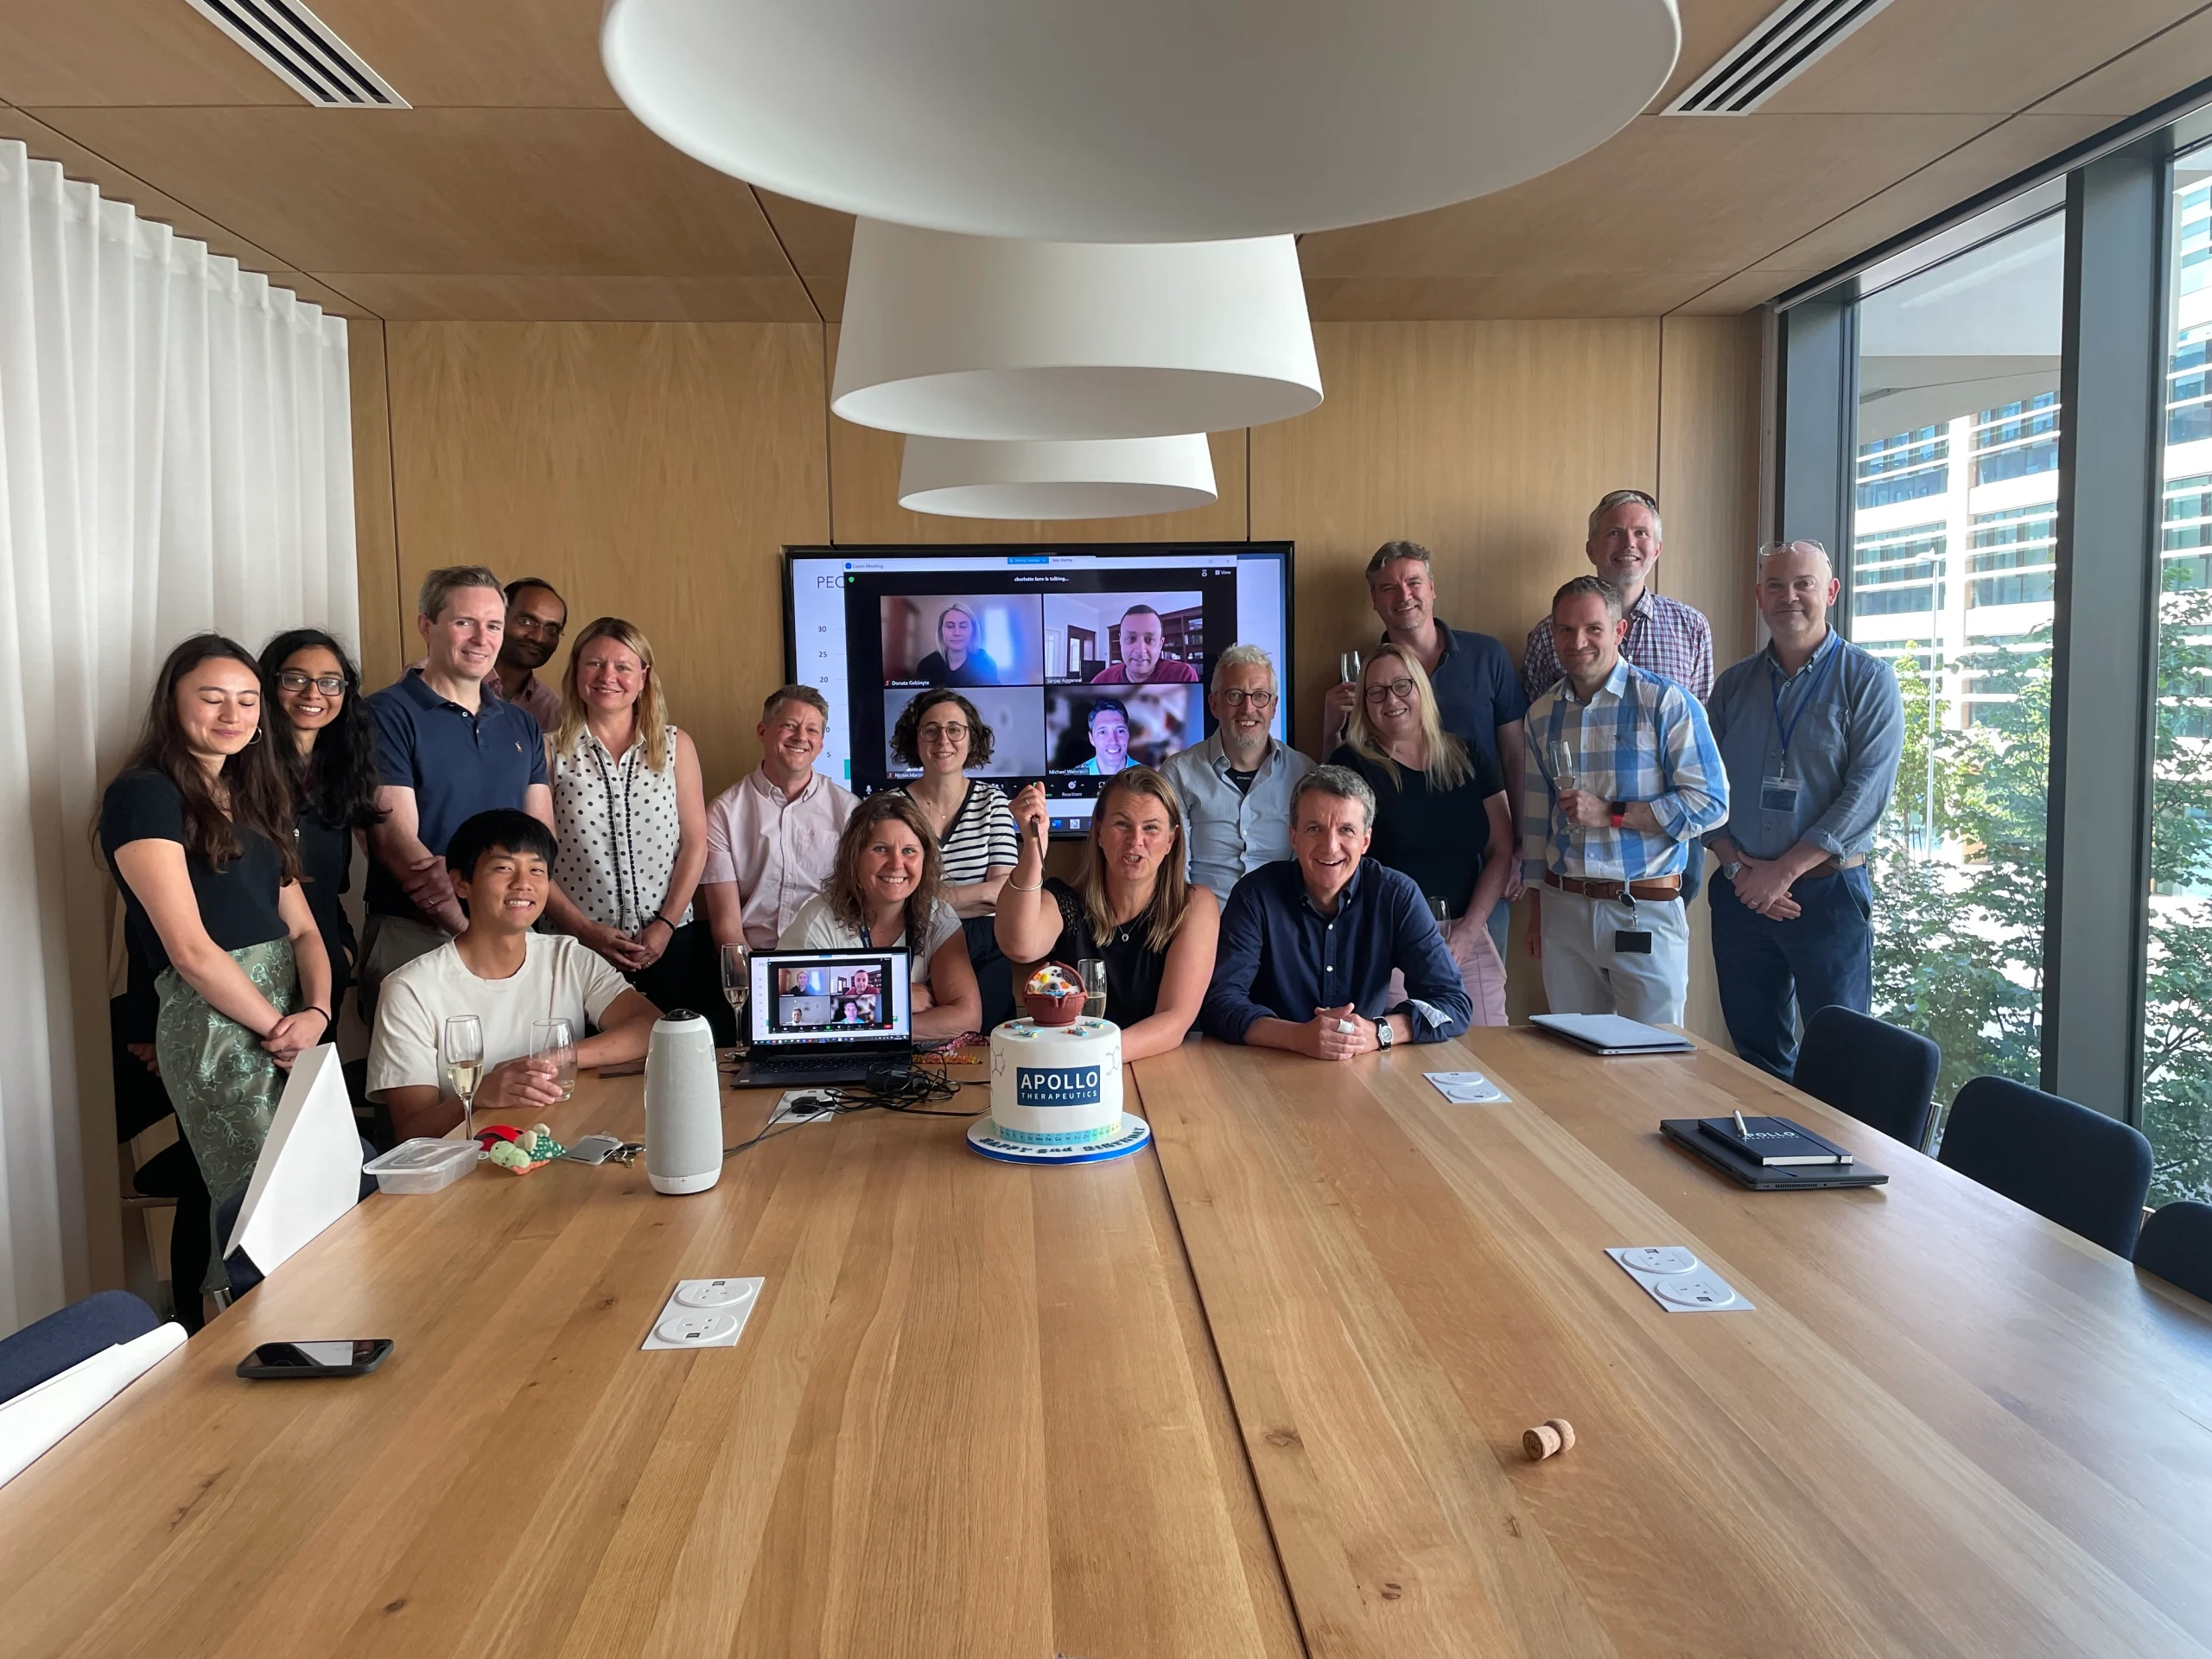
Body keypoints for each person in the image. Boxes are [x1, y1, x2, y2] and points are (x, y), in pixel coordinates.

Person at [100, 634, 334, 1300]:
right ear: (173, 703)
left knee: (313, 1195)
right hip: (217, 1028)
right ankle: (251, 1354)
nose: (233, 714)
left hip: (293, 1018)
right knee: (259, 1208)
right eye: (212, 698)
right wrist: (277, 1028)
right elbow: (190, 950)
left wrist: (313, 1014)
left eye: (247, 700)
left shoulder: (254, 790)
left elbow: (306, 930)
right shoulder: (142, 795)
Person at [1704, 541, 1904, 1078]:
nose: (1788, 596)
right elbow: (1705, 787)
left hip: (1827, 894)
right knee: (1755, 1055)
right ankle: (1767, 1159)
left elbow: (1866, 793)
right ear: (1758, 597)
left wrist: (1783, 872)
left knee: (1840, 1057)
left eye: (1803, 584)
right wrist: (1739, 870)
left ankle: (1837, 1161)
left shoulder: (1869, 680)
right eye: (1775, 585)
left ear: (1831, 592)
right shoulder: (1732, 686)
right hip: (1741, 891)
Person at [367, 810, 660, 1141]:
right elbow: (411, 1133)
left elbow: (650, 1026)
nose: (523, 883)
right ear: (460, 883)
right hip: (467, 1171)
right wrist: (480, 1096)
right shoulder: (409, 990)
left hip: (562, 1143)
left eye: (537, 870)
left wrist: (554, 1057)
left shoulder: (568, 957)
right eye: (504, 868)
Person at [1522, 575, 1728, 1027]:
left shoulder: (1667, 704)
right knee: (1575, 1057)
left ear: (1620, 631)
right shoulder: (1539, 715)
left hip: (1644, 911)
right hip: (1565, 911)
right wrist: (1537, 914)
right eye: (1566, 630)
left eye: (1594, 628)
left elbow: (1711, 803)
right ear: (1552, 634)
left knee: (1653, 1066)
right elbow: (1537, 825)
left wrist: (1613, 813)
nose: (1579, 641)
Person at [361, 566, 554, 1021]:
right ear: (427, 625)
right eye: (464, 622)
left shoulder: (521, 724)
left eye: (493, 626)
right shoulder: (384, 713)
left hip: (510, 934)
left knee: (518, 1082)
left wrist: (510, 928)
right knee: (424, 1089)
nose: (481, 638)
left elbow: (541, 838)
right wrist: (472, 930)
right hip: (416, 932)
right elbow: (396, 843)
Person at [1320, 541, 1529, 958]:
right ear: (1375, 601)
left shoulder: (1486, 655)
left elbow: (1515, 756)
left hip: (1478, 868)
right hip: (1395, 897)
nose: (1404, 596)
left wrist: (1521, 847)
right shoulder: (1366, 674)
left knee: (1480, 1002)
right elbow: (1336, 784)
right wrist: (1329, 724)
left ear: (1432, 588)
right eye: (1388, 588)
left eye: (1414, 582)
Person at [1201, 766, 1472, 1057]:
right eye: (1314, 828)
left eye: (1346, 830)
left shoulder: (1396, 895)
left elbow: (1452, 1003)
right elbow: (1218, 1002)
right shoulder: (1255, 895)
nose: (1330, 847)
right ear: (1293, 837)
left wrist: (1379, 1031)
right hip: (1268, 1061)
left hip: (1365, 1064)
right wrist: (1297, 1036)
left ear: (1365, 841)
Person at [541, 617, 715, 1031]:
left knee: (669, 1070)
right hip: (574, 947)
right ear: (575, 671)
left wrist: (665, 926)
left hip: (669, 944)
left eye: (623, 666)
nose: (608, 677)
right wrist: (585, 931)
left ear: (644, 677)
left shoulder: (676, 745)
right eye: (595, 664)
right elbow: (535, 861)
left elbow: (696, 844)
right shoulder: (547, 750)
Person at [1331, 645, 1511, 1027]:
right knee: (1401, 1070)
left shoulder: (1469, 755)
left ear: (1422, 688)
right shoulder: (1350, 765)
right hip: (1388, 944)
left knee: (1490, 1059)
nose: (1390, 699)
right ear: (1364, 703)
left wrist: (1469, 930)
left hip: (1467, 936)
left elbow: (1501, 848)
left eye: (1401, 685)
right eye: (1375, 691)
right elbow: (1335, 859)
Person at [995, 770, 1221, 1060]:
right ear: (1099, 832)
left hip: (1160, 1067)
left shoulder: (1194, 905)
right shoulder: (1067, 902)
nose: (1135, 840)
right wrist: (1033, 848)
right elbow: (1020, 946)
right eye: (1122, 824)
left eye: (1151, 828)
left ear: (1170, 841)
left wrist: (1091, 1055)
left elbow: (1174, 1020)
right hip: (1077, 1071)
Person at [780, 794, 982, 1043]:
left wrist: (862, 1019)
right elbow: (796, 1019)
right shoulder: (817, 923)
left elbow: (967, 1019)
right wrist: (893, 1000)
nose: (897, 864)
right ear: (855, 858)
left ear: (924, 860)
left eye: (909, 851)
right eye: (880, 849)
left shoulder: (938, 915)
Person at [258, 627, 385, 1019]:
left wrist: (341, 950)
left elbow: (328, 895)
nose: (313, 694)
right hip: (248, 985)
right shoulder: (237, 780)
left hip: (317, 991)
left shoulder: (337, 780)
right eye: (295, 679)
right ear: (268, 684)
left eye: (330, 682)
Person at [700, 684, 857, 960]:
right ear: (763, 731)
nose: (800, 737)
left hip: (829, 958)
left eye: (812, 730)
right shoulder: (723, 813)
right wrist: (762, 985)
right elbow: (727, 928)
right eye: (790, 725)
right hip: (754, 959)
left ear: (820, 744)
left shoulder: (849, 811)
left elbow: (861, 907)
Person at [1520, 492, 1714, 702]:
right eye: (1614, 533)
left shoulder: (1692, 628)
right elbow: (1536, 726)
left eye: (1641, 533)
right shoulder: (1548, 637)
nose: (1629, 543)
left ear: (1657, 550)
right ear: (1591, 550)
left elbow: (1699, 725)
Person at [1161, 644, 1314, 896]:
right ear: (1214, 704)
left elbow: (1307, 870)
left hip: (1279, 925)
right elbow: (1177, 874)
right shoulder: (1178, 773)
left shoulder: (1305, 774)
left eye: (1260, 696)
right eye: (1234, 695)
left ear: (1274, 706)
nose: (1248, 708)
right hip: (1206, 924)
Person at [889, 690, 1019, 917]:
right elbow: (890, 896)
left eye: (954, 730)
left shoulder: (993, 803)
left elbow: (1004, 894)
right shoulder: (889, 807)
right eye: (931, 730)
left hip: (987, 940)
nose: (943, 740)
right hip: (914, 936)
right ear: (915, 740)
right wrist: (982, 893)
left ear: (971, 740)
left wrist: (924, 901)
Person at [404, 575, 568, 731]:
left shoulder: (550, 709)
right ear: (498, 619)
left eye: (552, 629)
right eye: (526, 621)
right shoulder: (425, 676)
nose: (539, 638)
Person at [1090, 603, 1199, 683]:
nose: (1140, 649)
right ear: (1120, 642)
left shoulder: (1183, 675)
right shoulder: (1102, 680)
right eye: (1131, 638)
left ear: (1161, 644)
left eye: (1149, 640)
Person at [913, 601, 1001, 686]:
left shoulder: (986, 662)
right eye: (950, 626)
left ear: (973, 631)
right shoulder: (927, 665)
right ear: (941, 631)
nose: (957, 633)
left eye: (963, 626)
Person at [1075, 698, 1132, 774]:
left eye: (1120, 731)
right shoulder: (1075, 776)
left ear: (1128, 734)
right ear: (1091, 738)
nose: (1113, 741)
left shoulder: (1148, 777)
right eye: (1102, 732)